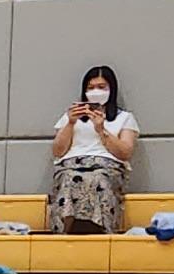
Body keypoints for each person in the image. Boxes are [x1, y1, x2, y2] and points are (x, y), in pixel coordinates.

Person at [48, 65, 137, 234]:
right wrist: (71, 122)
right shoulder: (70, 116)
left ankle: (101, 233)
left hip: (106, 168)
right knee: (70, 179)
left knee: (98, 179)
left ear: (112, 90)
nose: (96, 91)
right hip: (71, 165)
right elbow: (58, 151)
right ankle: (64, 235)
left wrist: (101, 130)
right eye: (91, 87)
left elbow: (125, 152)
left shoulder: (124, 118)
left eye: (101, 87)